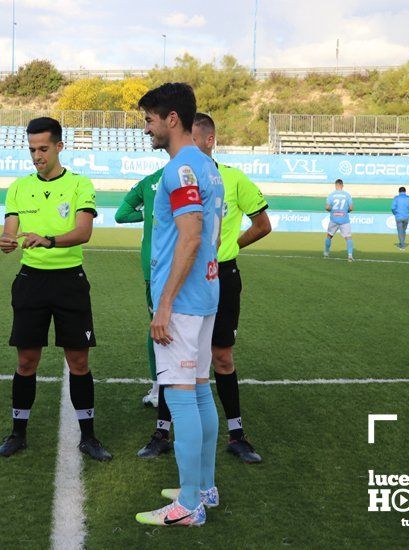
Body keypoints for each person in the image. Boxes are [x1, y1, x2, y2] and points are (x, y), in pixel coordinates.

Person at [0, 116, 112, 462]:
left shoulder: (79, 184)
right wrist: (6, 239)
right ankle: (17, 434)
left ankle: (88, 436)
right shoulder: (18, 187)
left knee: (78, 360)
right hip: (31, 282)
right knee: (26, 361)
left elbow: (83, 231)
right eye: (32, 149)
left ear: (59, 147)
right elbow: (10, 228)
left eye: (43, 148)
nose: (37, 155)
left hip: (69, 281)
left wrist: (49, 240)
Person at [133, 83, 223, 528]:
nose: (145, 128)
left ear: (172, 119)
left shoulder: (178, 170)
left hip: (183, 301)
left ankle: (189, 504)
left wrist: (163, 304)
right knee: (201, 389)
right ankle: (204, 487)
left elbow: (190, 237)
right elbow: (212, 237)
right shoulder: (208, 166)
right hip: (206, 295)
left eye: (149, 119)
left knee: (182, 396)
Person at [191, 113, 271, 464]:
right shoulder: (177, 179)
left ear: (209, 140)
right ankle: (163, 432)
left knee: (222, 356)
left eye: (192, 139)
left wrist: (232, 245)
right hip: (186, 276)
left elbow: (263, 223)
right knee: (182, 357)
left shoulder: (234, 179)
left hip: (222, 275)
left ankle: (236, 434)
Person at [114, 167, 174, 458]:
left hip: (153, 268)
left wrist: (146, 216)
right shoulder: (192, 173)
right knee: (184, 328)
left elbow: (121, 215)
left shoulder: (149, 182)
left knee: (157, 326)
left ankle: (157, 388)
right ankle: (182, 390)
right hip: (185, 266)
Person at [324, 179, 354, 261]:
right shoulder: (347, 195)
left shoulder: (331, 195)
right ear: (342, 185)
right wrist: (345, 211)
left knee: (329, 236)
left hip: (334, 218)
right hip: (344, 219)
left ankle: (326, 253)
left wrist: (332, 210)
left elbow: (327, 207)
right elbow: (351, 208)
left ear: (336, 185)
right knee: (348, 237)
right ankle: (350, 255)